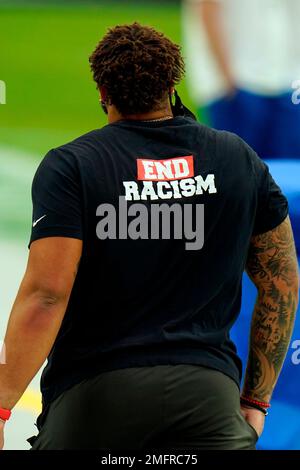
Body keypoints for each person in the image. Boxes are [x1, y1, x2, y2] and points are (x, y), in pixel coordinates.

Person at [0, 23, 298, 450]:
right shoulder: (237, 158)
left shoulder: (72, 166)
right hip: (209, 398)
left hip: (94, 399)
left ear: (103, 90)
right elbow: (281, 280)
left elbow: (46, 295)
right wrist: (255, 401)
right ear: (172, 85)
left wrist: (1, 406)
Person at [183, 0, 300, 159]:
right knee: (237, 171)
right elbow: (208, 6)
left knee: (288, 172)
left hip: (288, 81)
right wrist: (227, 79)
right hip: (237, 83)